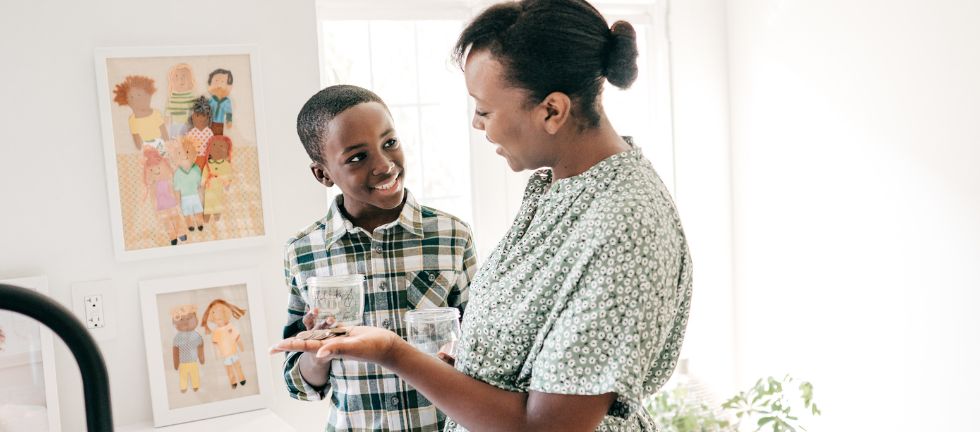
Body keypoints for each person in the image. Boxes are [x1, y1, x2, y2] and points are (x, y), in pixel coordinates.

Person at [273, 1, 692, 430]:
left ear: (552, 111)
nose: (476, 123)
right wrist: (473, 358)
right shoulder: (562, 187)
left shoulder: (624, 228)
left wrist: (392, 351)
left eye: (485, 109)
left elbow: (546, 427)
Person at [279, 84, 478, 431]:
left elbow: (483, 348)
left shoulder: (451, 235)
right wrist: (317, 350)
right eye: (357, 157)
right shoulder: (303, 252)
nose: (385, 166)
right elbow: (302, 385)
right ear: (323, 174)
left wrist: (458, 355)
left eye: (389, 144)